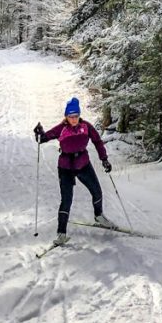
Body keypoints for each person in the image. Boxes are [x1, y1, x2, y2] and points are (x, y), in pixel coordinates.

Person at [33, 97, 116, 245]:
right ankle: (61, 233)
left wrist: (104, 159)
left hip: (83, 164)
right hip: (65, 167)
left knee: (96, 191)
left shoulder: (86, 127)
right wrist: (39, 133)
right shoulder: (61, 128)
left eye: (76, 116)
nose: (73, 119)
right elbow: (44, 138)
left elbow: (97, 141)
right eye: (70, 116)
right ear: (66, 116)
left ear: (79, 115)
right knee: (66, 200)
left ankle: (99, 216)